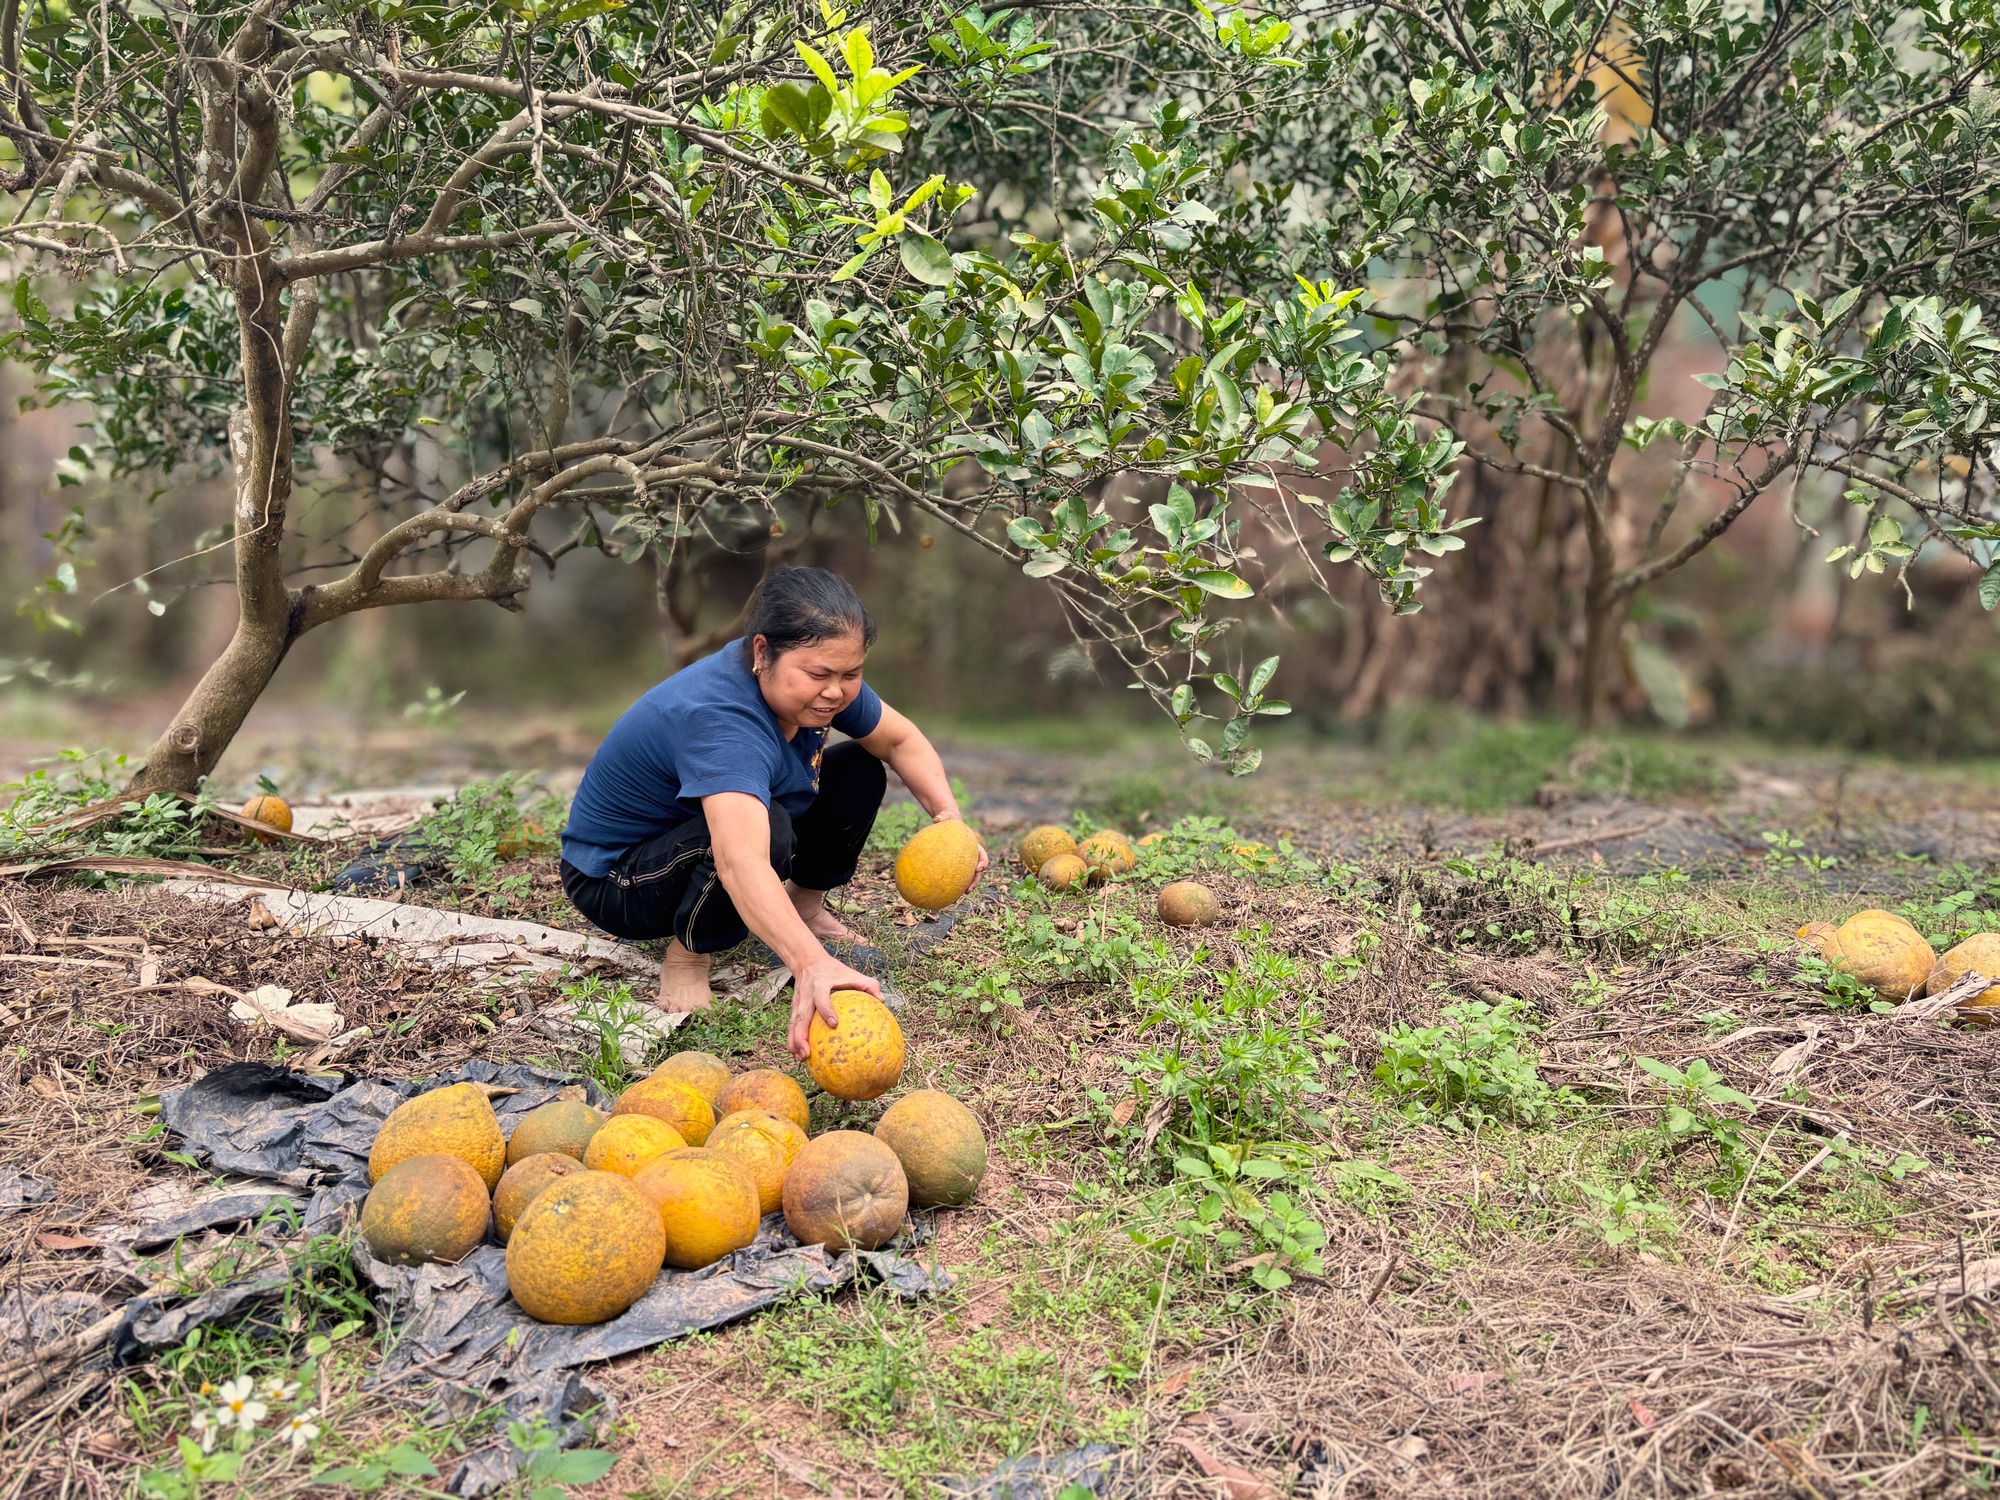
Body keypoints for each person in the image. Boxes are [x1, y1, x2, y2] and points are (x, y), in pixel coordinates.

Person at [560, 567, 987, 1059]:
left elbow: (899, 741)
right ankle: (688, 954)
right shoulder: (722, 719)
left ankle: (803, 906)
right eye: (819, 675)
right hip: (618, 881)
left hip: (692, 840)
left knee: (859, 767)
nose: (836, 691)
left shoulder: (812, 690)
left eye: (850, 674)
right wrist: (812, 965)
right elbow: (740, 861)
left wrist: (950, 820)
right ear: (762, 653)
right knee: (768, 830)